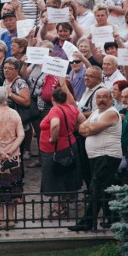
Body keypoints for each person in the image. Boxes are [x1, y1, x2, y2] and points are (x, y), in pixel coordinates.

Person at [69, 88, 122, 231]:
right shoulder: (96, 113)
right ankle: (113, 218)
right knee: (104, 188)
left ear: (111, 99)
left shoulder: (111, 113)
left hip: (107, 155)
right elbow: (81, 128)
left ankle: (87, 222)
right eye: (98, 97)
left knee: (96, 188)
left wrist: (89, 129)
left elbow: (90, 130)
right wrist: (88, 128)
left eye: (105, 97)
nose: (101, 100)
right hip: (96, 156)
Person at [39, 87, 83, 219]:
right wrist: (70, 131)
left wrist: (53, 137)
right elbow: (81, 120)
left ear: (52, 99)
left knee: (54, 178)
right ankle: (63, 205)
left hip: (54, 150)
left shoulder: (55, 110)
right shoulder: (71, 108)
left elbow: (55, 125)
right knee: (65, 176)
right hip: (69, 146)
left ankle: (58, 209)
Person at [0, 87, 24, 231]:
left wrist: (1, 152)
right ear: (7, 97)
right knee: (12, 186)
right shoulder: (14, 114)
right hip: (13, 156)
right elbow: (20, 135)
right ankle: (10, 218)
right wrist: (10, 150)